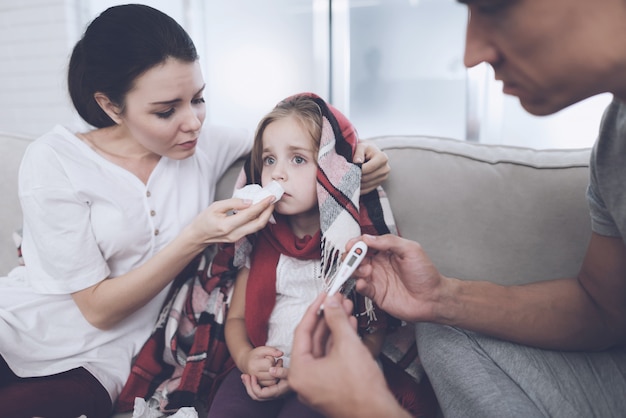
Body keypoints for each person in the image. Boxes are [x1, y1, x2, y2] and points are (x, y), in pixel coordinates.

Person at [0, 5, 390, 418]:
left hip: (104, 360)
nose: (193, 123)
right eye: (166, 110)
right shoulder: (55, 159)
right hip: (22, 328)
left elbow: (300, 136)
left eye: (199, 98)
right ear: (111, 106)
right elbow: (96, 309)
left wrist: (363, 151)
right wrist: (197, 237)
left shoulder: (203, 146)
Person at [287, 0, 626, 417]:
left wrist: (366, 408)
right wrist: (442, 298)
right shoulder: (616, 139)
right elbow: (603, 308)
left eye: (493, 7)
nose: (470, 56)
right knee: (444, 331)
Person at [207, 92, 397, 418]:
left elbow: (374, 331)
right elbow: (236, 318)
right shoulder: (258, 238)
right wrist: (246, 360)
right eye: (269, 160)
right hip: (265, 367)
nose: (277, 174)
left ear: (332, 170)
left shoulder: (351, 245)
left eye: (297, 159)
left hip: (329, 371)